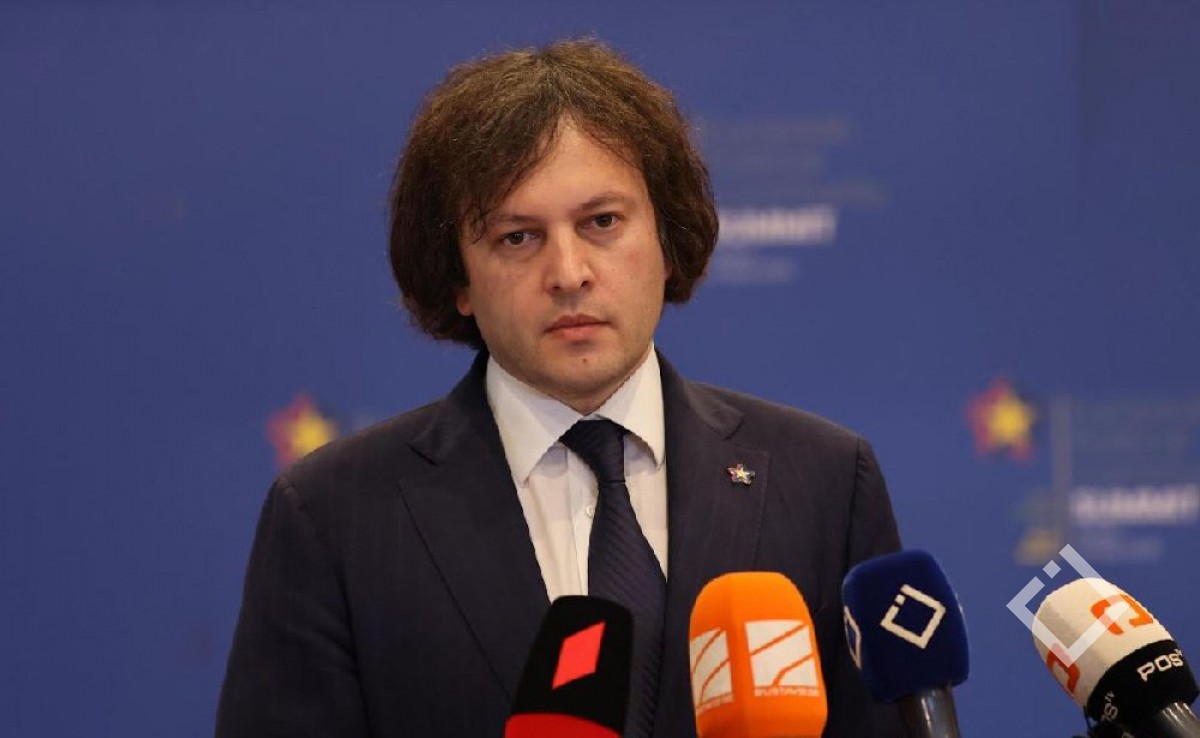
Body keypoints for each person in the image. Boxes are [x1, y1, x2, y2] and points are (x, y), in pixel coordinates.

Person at [217, 38, 905, 737]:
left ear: (666, 241)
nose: (569, 272)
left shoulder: (823, 481)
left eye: (602, 222)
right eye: (518, 237)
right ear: (458, 279)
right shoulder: (336, 517)